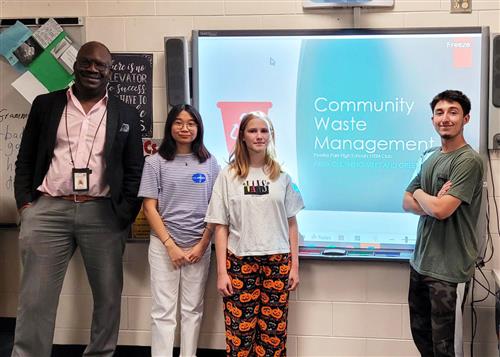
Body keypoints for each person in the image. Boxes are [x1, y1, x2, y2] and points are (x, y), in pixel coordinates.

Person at [13, 41, 144, 357]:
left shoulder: (124, 112)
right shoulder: (46, 105)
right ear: (75, 64)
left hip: (102, 213)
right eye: (87, 62)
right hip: (48, 210)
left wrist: (123, 214)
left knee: (109, 297)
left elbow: (134, 169)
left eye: (101, 65)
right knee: (35, 298)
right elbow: (26, 158)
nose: (93, 69)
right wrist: (27, 206)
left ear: (110, 72)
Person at [205, 111, 304, 357]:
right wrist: (221, 273)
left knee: (273, 339)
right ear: (242, 136)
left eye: (264, 131)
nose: (259, 136)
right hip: (240, 262)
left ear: (271, 136)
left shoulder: (282, 177)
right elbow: (220, 226)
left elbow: (292, 223)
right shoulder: (227, 176)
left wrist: (294, 267)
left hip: (277, 263)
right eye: (253, 131)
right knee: (240, 337)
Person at [402, 90, 484, 357]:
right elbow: (406, 201)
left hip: (449, 271)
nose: (445, 118)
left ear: (466, 118)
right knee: (423, 339)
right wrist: (429, 200)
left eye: (453, 112)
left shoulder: (468, 161)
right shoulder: (429, 156)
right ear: (433, 118)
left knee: (445, 348)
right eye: (440, 112)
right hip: (421, 263)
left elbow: (441, 210)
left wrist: (423, 196)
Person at [138, 104, 220, 357]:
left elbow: (216, 208)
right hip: (164, 247)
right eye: (179, 122)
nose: (185, 128)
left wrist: (202, 245)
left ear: (199, 128)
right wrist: (170, 246)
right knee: (163, 311)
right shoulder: (155, 162)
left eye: (191, 123)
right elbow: (149, 208)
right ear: (170, 126)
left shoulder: (210, 163)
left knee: (192, 309)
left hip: (199, 247)